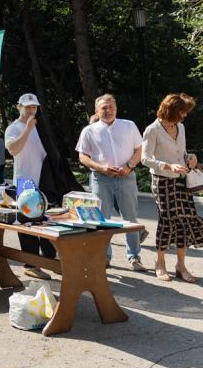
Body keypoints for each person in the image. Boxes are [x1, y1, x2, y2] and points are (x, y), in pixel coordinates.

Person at [76, 94, 146, 271]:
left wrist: (129, 166)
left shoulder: (128, 126)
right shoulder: (89, 130)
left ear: (116, 109)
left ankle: (134, 257)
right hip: (101, 179)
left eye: (111, 107)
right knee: (102, 220)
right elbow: (82, 156)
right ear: (96, 111)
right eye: (104, 108)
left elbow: (140, 149)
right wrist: (100, 168)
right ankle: (104, 257)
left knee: (130, 218)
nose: (108, 111)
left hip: (126, 177)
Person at [142, 93, 203, 283]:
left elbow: (182, 152)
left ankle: (180, 265)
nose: (184, 116)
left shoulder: (180, 127)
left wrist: (190, 158)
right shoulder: (152, 130)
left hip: (181, 179)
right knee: (168, 219)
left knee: (185, 219)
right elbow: (145, 159)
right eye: (182, 112)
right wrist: (168, 166)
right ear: (171, 110)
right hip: (162, 181)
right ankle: (160, 263)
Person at [4, 93, 56, 280]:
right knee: (28, 223)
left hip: (43, 180)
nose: (31, 110)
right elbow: (13, 150)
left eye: (34, 107)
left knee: (48, 220)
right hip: (25, 182)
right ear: (19, 107)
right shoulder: (14, 128)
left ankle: (50, 259)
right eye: (28, 107)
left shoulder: (40, 128)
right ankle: (31, 264)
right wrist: (26, 129)